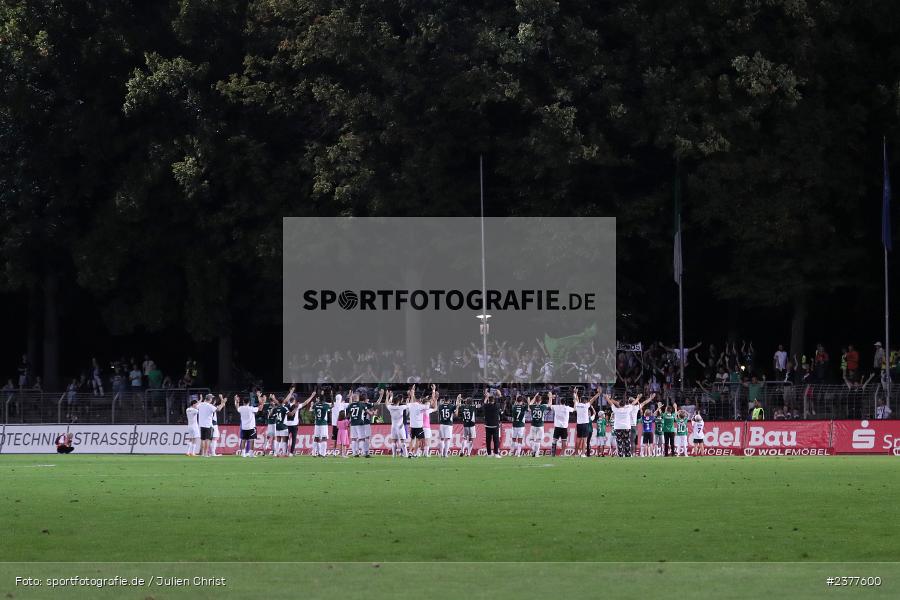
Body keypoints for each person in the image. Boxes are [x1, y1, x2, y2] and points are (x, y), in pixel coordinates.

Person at [407, 385, 435, 458]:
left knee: (412, 440)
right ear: (420, 399)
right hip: (419, 426)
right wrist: (431, 395)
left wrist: (412, 392)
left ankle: (410, 452)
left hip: (412, 425)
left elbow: (410, 401)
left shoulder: (410, 405)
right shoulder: (421, 406)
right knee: (418, 440)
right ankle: (415, 453)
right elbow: (428, 405)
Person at [573, 388, 599, 457]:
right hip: (585, 424)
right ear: (585, 401)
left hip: (579, 424)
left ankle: (576, 453)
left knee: (578, 439)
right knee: (585, 440)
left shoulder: (577, 405)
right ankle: (583, 454)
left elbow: (575, 399)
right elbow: (593, 399)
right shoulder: (585, 405)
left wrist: (575, 392)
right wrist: (598, 393)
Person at [385, 390, 409, 457]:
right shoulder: (401, 407)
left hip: (393, 426)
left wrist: (387, 396)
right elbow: (409, 404)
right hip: (400, 426)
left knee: (394, 441)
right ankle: (406, 455)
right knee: (403, 441)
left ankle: (394, 455)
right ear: (398, 401)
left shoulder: (391, 407)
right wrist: (411, 395)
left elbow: (386, 403)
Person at [549, 391, 573, 457]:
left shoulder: (556, 407)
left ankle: (553, 454)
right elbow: (574, 409)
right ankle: (562, 454)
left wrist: (550, 397)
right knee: (564, 441)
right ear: (565, 402)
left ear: (560, 402)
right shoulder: (567, 408)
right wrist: (575, 400)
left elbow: (549, 406)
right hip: (564, 427)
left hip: (557, 427)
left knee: (554, 440)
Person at [436, 392, 459, 458]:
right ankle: (445, 454)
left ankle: (441, 454)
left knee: (442, 439)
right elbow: (456, 415)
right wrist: (457, 408)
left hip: (442, 424)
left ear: (444, 399)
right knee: (448, 439)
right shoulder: (451, 406)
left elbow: (438, 415)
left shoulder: (440, 406)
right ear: (449, 400)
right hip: (449, 424)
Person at [309, 391, 332, 457]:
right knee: (324, 438)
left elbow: (311, 409)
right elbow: (331, 407)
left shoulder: (315, 405)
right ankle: (323, 454)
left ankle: (313, 453)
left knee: (316, 438)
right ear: (324, 400)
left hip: (317, 423)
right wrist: (331, 396)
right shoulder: (326, 405)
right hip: (323, 424)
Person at [482, 388, 502, 457]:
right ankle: (496, 453)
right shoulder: (497, 406)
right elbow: (500, 399)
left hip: (488, 426)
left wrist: (486, 397)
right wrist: (499, 394)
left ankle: (489, 453)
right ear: (494, 400)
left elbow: (484, 403)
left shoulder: (486, 406)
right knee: (496, 440)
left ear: (488, 400)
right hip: (495, 426)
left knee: (488, 441)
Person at [527, 392, 547, 457]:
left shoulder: (532, 406)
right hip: (540, 425)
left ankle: (533, 450)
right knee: (539, 440)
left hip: (533, 425)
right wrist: (550, 397)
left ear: (535, 400)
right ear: (540, 401)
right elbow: (549, 404)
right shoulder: (543, 406)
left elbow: (530, 403)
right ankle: (536, 453)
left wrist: (535, 396)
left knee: (531, 440)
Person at [330, 388, 347, 452]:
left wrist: (331, 396)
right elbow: (350, 404)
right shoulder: (343, 404)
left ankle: (334, 452)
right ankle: (342, 452)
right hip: (342, 424)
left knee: (334, 439)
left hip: (334, 424)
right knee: (342, 438)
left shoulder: (333, 404)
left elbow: (331, 403)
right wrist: (349, 396)